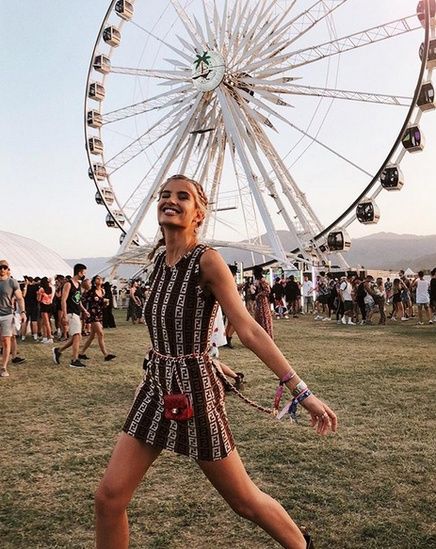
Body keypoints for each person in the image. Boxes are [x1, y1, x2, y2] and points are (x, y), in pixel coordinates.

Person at [94, 174, 337, 549]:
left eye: (182, 196)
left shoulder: (207, 261)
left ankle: (301, 546)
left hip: (193, 390)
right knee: (109, 498)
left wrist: (301, 392)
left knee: (243, 501)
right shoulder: (159, 262)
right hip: (156, 387)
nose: (170, 201)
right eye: (164, 195)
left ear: (198, 214)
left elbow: (249, 330)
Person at [52, 263, 89, 369]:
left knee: (77, 337)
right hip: (70, 313)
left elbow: (78, 300)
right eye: (84, 272)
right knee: (77, 335)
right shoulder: (68, 284)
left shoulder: (78, 284)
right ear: (80, 272)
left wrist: (84, 310)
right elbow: (63, 300)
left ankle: (58, 351)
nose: (84, 274)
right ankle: (74, 359)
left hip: (77, 312)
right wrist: (64, 315)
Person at [79, 275, 116, 361]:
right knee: (100, 334)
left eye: (100, 278)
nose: (99, 280)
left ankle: (81, 353)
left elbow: (101, 304)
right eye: (97, 278)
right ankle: (106, 354)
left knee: (92, 336)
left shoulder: (102, 291)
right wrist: (85, 310)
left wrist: (105, 303)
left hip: (99, 314)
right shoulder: (91, 291)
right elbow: (82, 299)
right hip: (92, 314)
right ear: (94, 281)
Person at [0, 260, 26, 378]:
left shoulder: (12, 282)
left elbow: (20, 298)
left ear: (7, 269)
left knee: (6, 341)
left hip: (7, 315)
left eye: (4, 267)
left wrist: (22, 312)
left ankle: (3, 367)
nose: (2, 269)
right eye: (0, 267)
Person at [252, 265, 273, 339]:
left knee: (264, 317)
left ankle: (266, 335)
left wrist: (258, 294)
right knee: (259, 318)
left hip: (263, 301)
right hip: (259, 302)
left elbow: (267, 291)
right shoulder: (258, 280)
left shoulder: (262, 280)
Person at [37, 277, 54, 343]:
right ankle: (45, 337)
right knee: (46, 322)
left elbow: (38, 299)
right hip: (49, 305)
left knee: (46, 323)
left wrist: (38, 294)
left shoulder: (41, 289)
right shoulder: (50, 288)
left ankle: (49, 337)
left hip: (43, 306)